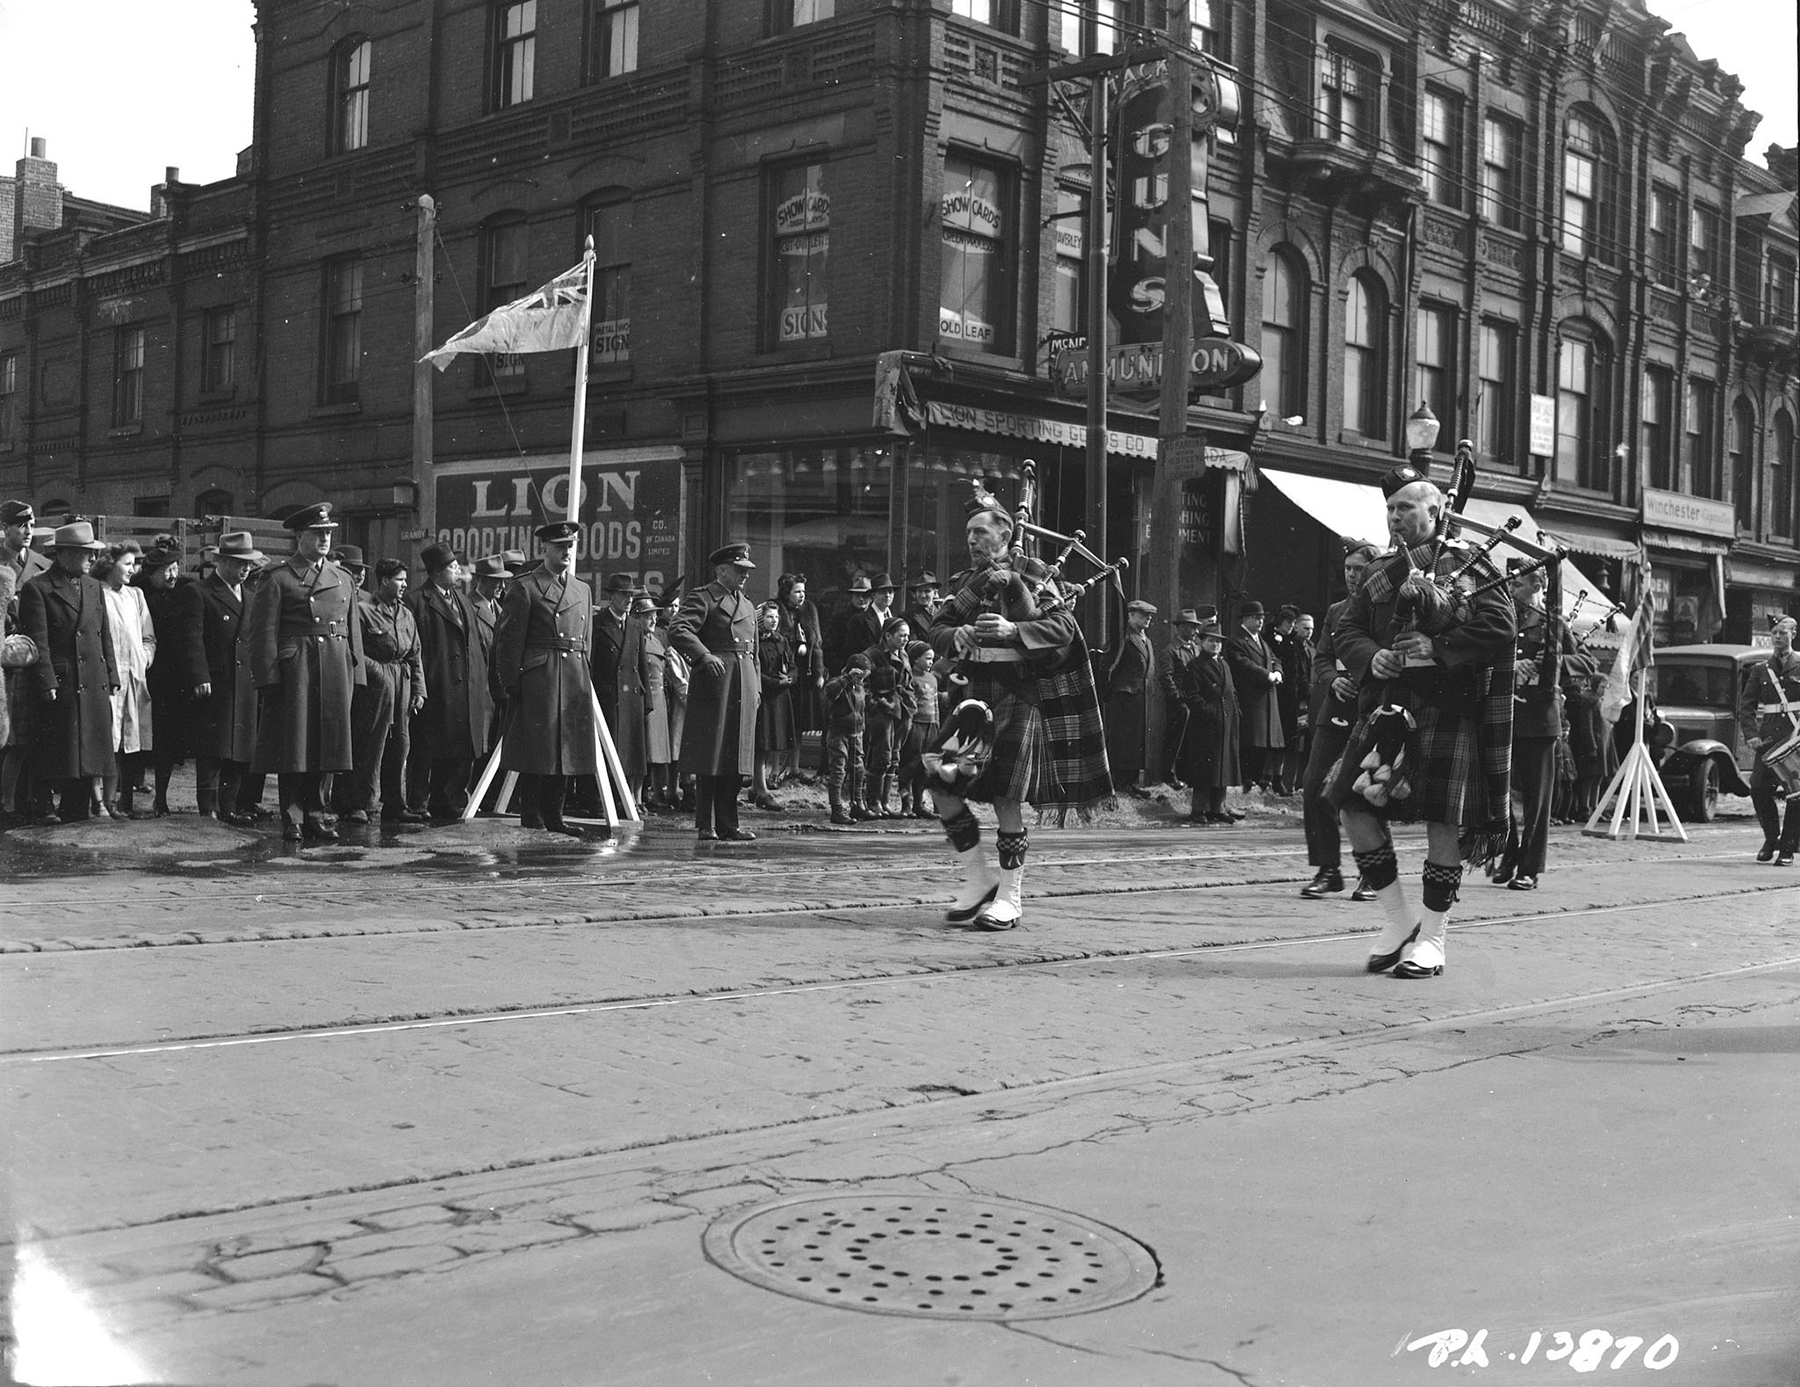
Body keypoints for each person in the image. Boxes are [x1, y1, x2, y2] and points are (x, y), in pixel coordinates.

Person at [1325, 467, 1516, 979]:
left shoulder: (1466, 562)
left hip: (1445, 708)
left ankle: (1432, 939)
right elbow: (1346, 631)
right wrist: (1372, 657)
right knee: (1352, 807)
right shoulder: (1377, 572)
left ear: (1435, 512)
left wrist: (1440, 647)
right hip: (1387, 710)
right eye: (1390, 509)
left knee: (1441, 821)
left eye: (1405, 508)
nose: (1395, 517)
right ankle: (1398, 921)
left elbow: (1501, 626)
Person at [926, 501, 1111, 930]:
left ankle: (1010, 898)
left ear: (1005, 537)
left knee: (1007, 798)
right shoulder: (965, 583)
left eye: (980, 532)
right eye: (969, 532)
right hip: (974, 698)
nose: (971, 540)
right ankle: (978, 880)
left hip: (1017, 695)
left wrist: (1015, 631)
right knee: (940, 783)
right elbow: (936, 629)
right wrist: (959, 633)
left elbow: (1064, 628)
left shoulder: (1035, 577)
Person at [249, 504, 367, 841]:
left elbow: (353, 631)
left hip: (333, 662)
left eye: (328, 533)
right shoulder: (278, 578)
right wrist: (269, 677)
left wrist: (355, 674)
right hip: (297, 665)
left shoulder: (342, 578)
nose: (325, 539)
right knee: (295, 746)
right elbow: (263, 633)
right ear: (300, 536)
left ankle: (317, 813)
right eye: (318, 533)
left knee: (328, 744)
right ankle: (293, 817)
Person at [490, 521, 602, 836]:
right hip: (540, 675)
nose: (566, 552)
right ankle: (532, 816)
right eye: (560, 546)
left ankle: (556, 816)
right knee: (537, 749)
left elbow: (586, 641)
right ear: (545, 549)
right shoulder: (525, 586)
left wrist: (583, 677)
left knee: (566, 747)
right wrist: (513, 682)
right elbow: (509, 640)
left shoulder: (582, 588)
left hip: (572, 675)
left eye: (570, 546)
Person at [1496, 560, 1594, 890]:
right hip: (1503, 715)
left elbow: (1587, 662)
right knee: (1499, 796)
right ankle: (1508, 854)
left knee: (1538, 801)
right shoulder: (1503, 618)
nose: (1511, 590)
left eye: (1517, 585)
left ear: (1537, 587)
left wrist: (1553, 662)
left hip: (1539, 721)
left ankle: (1529, 867)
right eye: (1509, 585)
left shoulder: (1552, 623)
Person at [16, 521, 119, 824]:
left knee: (87, 750)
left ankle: (76, 810)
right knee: (56, 747)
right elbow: (39, 640)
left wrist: (111, 675)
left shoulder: (93, 586)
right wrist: (46, 679)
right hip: (62, 679)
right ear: (64, 554)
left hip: (93, 679)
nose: (91, 559)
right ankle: (43, 807)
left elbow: (104, 634)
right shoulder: (39, 588)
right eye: (85, 553)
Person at [1300, 540, 1379, 899]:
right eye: (1348, 569)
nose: (1352, 576)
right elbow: (1321, 659)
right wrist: (1332, 681)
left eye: (1359, 569)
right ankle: (1328, 868)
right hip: (1335, 709)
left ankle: (1372, 873)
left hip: (1373, 710)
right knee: (1315, 785)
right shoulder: (1336, 611)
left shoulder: (1386, 611)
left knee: (1366, 793)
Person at [669, 542, 762, 842]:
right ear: (722, 570)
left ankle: (728, 823)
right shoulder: (704, 598)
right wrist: (704, 656)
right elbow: (679, 629)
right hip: (717, 684)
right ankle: (706, 824)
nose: (744, 575)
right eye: (739, 570)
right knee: (711, 757)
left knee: (736, 758)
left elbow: (755, 652)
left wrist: (756, 687)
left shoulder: (747, 604)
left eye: (746, 570)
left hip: (743, 683)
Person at [408, 542, 490, 821]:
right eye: (453, 566)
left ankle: (452, 800)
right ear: (437, 572)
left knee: (459, 747)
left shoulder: (463, 601)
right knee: (427, 748)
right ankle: (419, 802)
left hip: (464, 687)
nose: (458, 571)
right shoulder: (417, 600)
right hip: (437, 683)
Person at [343, 558, 426, 825]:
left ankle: (394, 804)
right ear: (384, 581)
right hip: (375, 685)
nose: (404, 585)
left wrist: (418, 690)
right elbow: (353, 650)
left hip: (401, 682)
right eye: (399, 580)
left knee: (400, 745)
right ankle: (359, 803)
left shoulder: (405, 614)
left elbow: (415, 655)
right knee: (370, 745)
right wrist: (378, 673)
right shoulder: (363, 610)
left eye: (405, 579)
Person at [193, 531, 264, 824]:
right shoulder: (200, 592)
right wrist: (200, 675)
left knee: (239, 748)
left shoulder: (250, 596)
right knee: (213, 748)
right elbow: (192, 640)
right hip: (217, 681)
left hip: (245, 682)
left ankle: (229, 807)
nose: (245, 569)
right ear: (220, 561)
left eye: (248, 563)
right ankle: (207, 809)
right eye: (238, 563)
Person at [139, 538, 207, 814]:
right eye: (165, 570)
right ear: (151, 573)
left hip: (172, 678)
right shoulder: (137, 592)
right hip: (145, 671)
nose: (173, 574)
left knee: (167, 740)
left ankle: (162, 798)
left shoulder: (186, 591)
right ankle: (128, 796)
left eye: (176, 567)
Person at [96, 541, 155, 818]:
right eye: (128, 564)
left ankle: (115, 801)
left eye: (136, 564)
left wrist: (143, 658)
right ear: (110, 563)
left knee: (125, 743)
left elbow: (148, 637)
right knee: (104, 739)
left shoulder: (136, 595)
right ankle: (98, 802)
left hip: (132, 677)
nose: (134, 569)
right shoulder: (97, 592)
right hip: (106, 678)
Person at [1, 500, 51, 823]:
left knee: (31, 736)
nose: (28, 531)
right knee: (10, 740)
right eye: (20, 525)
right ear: (4, 528)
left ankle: (30, 803)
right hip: (6, 665)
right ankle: (6, 806)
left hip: (33, 657)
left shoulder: (41, 565)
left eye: (31, 525)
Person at [1742, 615, 1800, 865]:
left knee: (1795, 794)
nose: (1778, 637)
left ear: (1793, 635)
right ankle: (1771, 838)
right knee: (1757, 786)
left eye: (1783, 632)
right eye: (1775, 633)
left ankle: (1787, 848)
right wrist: (1752, 735)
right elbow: (1746, 706)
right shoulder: (1761, 669)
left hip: (1796, 739)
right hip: (1768, 741)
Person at [1176, 617, 1242, 824]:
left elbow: (1231, 691)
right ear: (1202, 642)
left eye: (1218, 641)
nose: (1215, 645)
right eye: (1211, 641)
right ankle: (1198, 810)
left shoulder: (1224, 665)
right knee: (1205, 769)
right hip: (1206, 725)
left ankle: (1218, 808)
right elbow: (1191, 695)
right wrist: (1209, 712)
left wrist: (1236, 713)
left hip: (1226, 723)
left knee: (1223, 768)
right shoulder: (1195, 666)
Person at [1226, 600, 1285, 792]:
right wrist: (1266, 675)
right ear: (1245, 619)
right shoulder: (1237, 641)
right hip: (1250, 697)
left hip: (1266, 697)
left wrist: (1277, 672)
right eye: (1256, 618)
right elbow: (1242, 664)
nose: (1260, 622)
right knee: (1250, 739)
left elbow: (1275, 659)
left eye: (1261, 618)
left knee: (1263, 741)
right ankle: (1247, 777)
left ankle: (1258, 777)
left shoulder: (1261, 641)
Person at [862, 615, 914, 817]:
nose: (905, 639)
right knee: (881, 757)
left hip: (903, 711)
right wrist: (874, 705)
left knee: (894, 757)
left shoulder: (904, 655)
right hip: (882, 713)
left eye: (907, 636)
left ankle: (884, 802)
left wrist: (911, 703)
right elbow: (863, 686)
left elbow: (908, 683)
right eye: (902, 635)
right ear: (887, 636)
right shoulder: (872, 655)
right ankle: (873, 801)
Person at [775, 572, 824, 783]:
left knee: (799, 722)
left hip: (805, 674)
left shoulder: (809, 610)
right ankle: (774, 770)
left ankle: (795, 767)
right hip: (783, 673)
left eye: (803, 591)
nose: (801, 596)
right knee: (780, 723)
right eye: (797, 592)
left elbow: (818, 644)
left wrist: (819, 673)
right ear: (786, 592)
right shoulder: (776, 609)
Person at [1105, 599, 1157, 795]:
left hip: (1141, 697)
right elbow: (1108, 662)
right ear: (1131, 615)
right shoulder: (1123, 637)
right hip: (1125, 696)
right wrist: (1114, 690)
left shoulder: (1146, 640)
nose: (1148, 619)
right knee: (1124, 741)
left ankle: (1132, 782)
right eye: (1144, 615)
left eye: (1149, 616)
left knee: (1137, 741)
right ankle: (1120, 783)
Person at [753, 600, 796, 810]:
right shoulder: (755, 642)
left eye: (777, 617)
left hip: (781, 697)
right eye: (770, 617)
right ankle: (761, 789)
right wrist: (775, 682)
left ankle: (756, 786)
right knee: (762, 744)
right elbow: (754, 670)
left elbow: (793, 665)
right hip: (765, 696)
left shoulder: (782, 641)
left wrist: (790, 678)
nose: (774, 621)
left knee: (773, 743)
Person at [1158, 608, 1205, 790]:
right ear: (1181, 628)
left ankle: (1187, 775)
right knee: (1175, 738)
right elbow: (1166, 676)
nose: (1194, 631)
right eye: (1190, 628)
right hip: (1179, 703)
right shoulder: (1171, 650)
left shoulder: (1196, 648)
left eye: (1195, 627)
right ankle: (1169, 775)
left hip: (1193, 699)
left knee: (1191, 739)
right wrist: (1177, 696)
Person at [641, 594, 679, 812]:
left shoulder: (658, 640)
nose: (654, 620)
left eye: (655, 615)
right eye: (649, 616)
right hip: (648, 699)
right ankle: (646, 794)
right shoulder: (639, 639)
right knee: (647, 750)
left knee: (659, 752)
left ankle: (657, 792)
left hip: (661, 699)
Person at [822, 653, 869, 824]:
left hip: (856, 733)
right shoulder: (839, 683)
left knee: (858, 770)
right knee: (838, 771)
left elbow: (861, 710)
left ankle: (857, 804)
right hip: (838, 733)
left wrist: (862, 728)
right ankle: (837, 809)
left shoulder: (860, 688)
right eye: (859, 676)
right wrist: (847, 678)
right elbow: (830, 691)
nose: (861, 680)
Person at [897, 639, 939, 818]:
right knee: (910, 764)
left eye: (932, 659)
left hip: (931, 726)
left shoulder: (932, 678)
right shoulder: (910, 678)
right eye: (927, 658)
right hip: (915, 726)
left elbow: (935, 703)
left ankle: (918, 805)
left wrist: (937, 723)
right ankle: (905, 804)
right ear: (915, 660)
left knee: (925, 767)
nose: (931, 662)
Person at [1273, 604, 1311, 795]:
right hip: (1286, 697)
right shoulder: (1286, 644)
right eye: (1305, 628)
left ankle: (1294, 782)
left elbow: (1303, 673)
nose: (1309, 632)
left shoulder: (1305, 647)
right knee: (1288, 740)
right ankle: (1284, 781)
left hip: (1300, 697)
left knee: (1298, 740)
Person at [827, 574, 880, 674]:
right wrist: (842, 668)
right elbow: (830, 649)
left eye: (865, 595)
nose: (861, 599)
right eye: (857, 595)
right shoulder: (839, 619)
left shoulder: (876, 618)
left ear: (871, 598)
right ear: (852, 597)